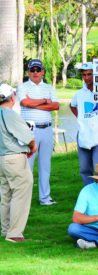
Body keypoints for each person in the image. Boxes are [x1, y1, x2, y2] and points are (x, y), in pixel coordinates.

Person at [17, 59, 59, 206]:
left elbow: (56, 106)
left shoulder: (49, 87)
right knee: (27, 166)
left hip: (47, 129)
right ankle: (23, 200)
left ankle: (45, 198)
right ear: (28, 72)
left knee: (45, 166)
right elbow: (25, 103)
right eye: (32, 70)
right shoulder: (22, 87)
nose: (35, 73)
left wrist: (35, 103)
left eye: (38, 70)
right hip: (30, 130)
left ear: (43, 72)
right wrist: (44, 101)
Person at [0, 83, 36, 243]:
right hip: (14, 157)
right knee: (21, 190)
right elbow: (28, 136)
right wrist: (32, 147)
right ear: (12, 97)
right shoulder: (9, 114)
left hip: (2, 158)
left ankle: (5, 229)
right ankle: (14, 233)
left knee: (5, 193)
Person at [70, 63, 98, 185]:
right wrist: (81, 117)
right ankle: (89, 193)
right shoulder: (80, 93)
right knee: (84, 169)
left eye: (89, 74)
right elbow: (72, 106)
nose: (87, 77)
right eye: (84, 75)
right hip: (83, 135)